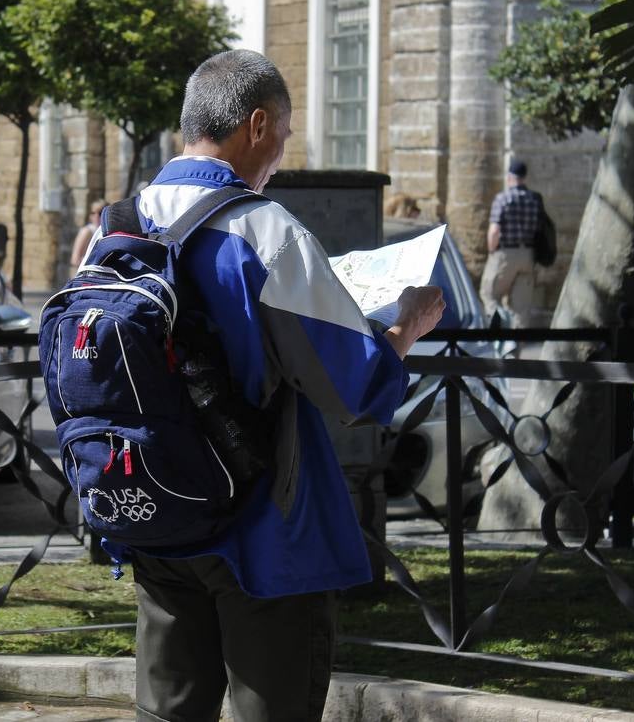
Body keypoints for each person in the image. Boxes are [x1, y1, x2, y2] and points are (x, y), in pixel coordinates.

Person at [114, 49, 444, 721]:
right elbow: (355, 387)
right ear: (257, 125)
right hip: (259, 523)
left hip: (155, 507)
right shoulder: (264, 232)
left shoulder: (120, 221)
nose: (281, 157)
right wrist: (404, 329)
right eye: (285, 138)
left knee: (168, 711)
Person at [479, 158, 544, 328]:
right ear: (524, 177)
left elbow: (494, 231)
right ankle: (515, 348)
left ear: (509, 177)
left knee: (489, 294)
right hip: (528, 256)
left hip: (505, 254)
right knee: (521, 307)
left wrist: (492, 251)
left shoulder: (503, 198)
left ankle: (499, 334)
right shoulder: (534, 199)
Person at [68, 199, 109, 274]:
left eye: (100, 213)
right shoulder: (87, 231)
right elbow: (75, 259)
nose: (96, 216)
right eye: (93, 213)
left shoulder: (107, 231)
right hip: (86, 275)